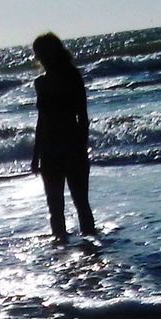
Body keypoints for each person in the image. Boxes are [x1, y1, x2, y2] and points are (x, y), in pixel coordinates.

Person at [30, 32, 96, 241]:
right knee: (55, 208)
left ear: (54, 52)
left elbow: (83, 117)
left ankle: (92, 249)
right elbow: (42, 121)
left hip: (71, 147)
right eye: (38, 54)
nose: (41, 58)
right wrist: (35, 155)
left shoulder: (72, 77)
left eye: (43, 53)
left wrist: (81, 148)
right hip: (50, 150)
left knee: (81, 204)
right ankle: (62, 257)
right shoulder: (40, 83)